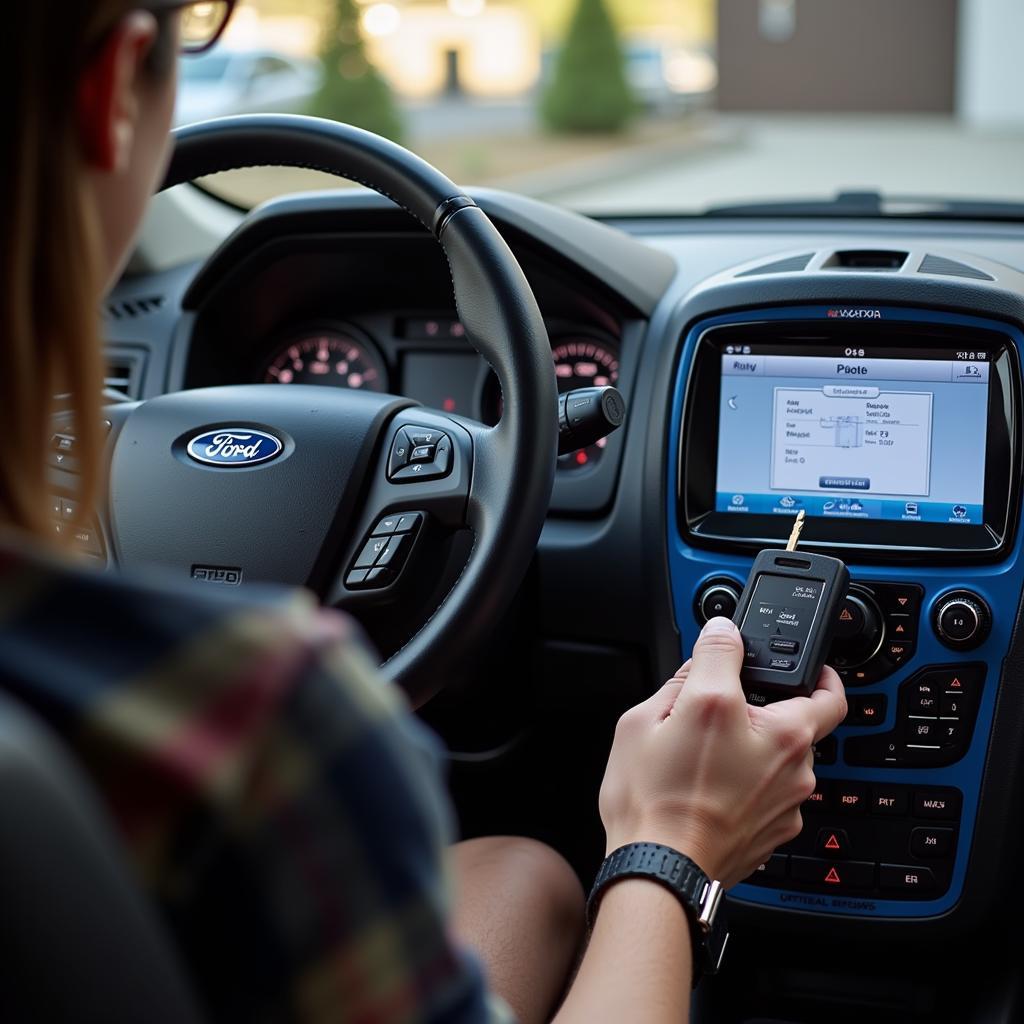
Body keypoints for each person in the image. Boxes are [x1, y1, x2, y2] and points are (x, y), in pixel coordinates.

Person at [0, 1, 848, 1022]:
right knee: (544, 867)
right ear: (113, 89)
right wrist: (672, 841)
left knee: (520, 873)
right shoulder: (267, 723)